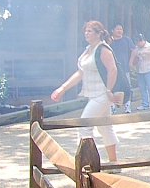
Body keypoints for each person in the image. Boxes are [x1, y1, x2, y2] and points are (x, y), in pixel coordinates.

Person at [50, 21, 119, 164]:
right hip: (92, 94)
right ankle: (114, 163)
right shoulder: (88, 49)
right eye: (85, 31)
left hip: (102, 94)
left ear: (99, 33)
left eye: (90, 31)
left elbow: (112, 69)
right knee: (105, 127)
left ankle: (87, 162)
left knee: (84, 125)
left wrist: (109, 89)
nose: (86, 34)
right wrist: (63, 88)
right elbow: (80, 73)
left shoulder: (103, 49)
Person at [109, 24, 136, 113]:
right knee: (112, 87)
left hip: (124, 68)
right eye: (117, 29)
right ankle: (112, 107)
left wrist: (131, 61)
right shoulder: (109, 41)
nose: (120, 31)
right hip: (112, 69)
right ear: (112, 30)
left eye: (121, 29)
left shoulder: (126, 39)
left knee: (127, 87)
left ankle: (127, 106)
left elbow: (134, 50)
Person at [133, 33, 150, 111]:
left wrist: (145, 52)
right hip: (140, 70)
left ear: (143, 40)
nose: (137, 43)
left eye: (138, 41)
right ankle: (145, 103)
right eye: (136, 42)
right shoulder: (136, 48)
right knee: (142, 88)